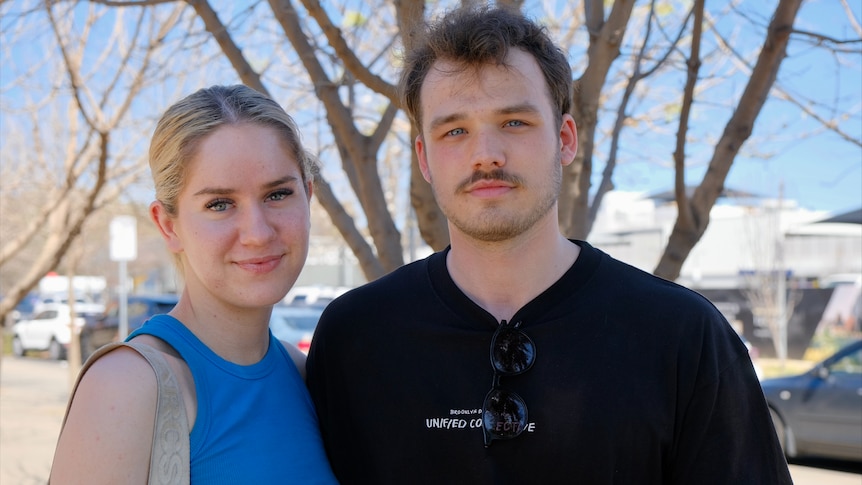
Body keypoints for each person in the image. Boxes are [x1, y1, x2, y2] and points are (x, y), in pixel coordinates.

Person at [306, 6, 792, 484]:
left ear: (564, 138)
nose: (486, 155)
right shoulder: (355, 337)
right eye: (454, 130)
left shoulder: (683, 335)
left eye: (515, 122)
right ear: (425, 158)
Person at [51, 85, 338, 484]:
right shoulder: (127, 386)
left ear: (307, 198)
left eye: (277, 194)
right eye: (219, 204)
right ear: (168, 226)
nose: (257, 232)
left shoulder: (301, 371)